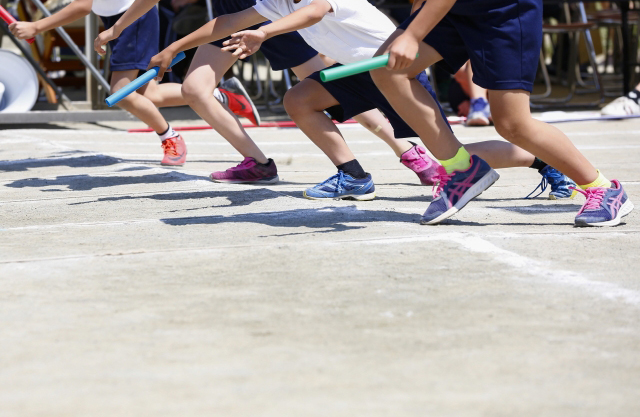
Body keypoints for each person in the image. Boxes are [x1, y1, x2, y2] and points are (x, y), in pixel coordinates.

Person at [217, 0, 575, 201]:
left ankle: (543, 160)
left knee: (449, 153)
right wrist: (174, 48)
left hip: (393, 64)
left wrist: (263, 32)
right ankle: (353, 176)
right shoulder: (274, 2)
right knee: (299, 98)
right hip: (360, 71)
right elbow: (228, 21)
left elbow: (313, 12)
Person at [94, 0, 443, 186]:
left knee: (327, 87)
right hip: (236, 18)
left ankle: (409, 151)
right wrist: (120, 29)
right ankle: (258, 164)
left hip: (286, 15)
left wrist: (266, 31)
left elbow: (314, 9)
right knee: (194, 88)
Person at [370, 0, 633, 226]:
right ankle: (462, 169)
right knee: (388, 70)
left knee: (512, 124)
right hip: (453, 10)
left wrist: (413, 35)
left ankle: (603, 189)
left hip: (504, 9)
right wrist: (415, 21)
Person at [9, 0, 261, 166]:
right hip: (121, 18)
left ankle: (170, 137)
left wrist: (37, 26)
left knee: (121, 91)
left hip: (132, 18)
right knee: (148, 94)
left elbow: (84, 4)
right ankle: (223, 96)